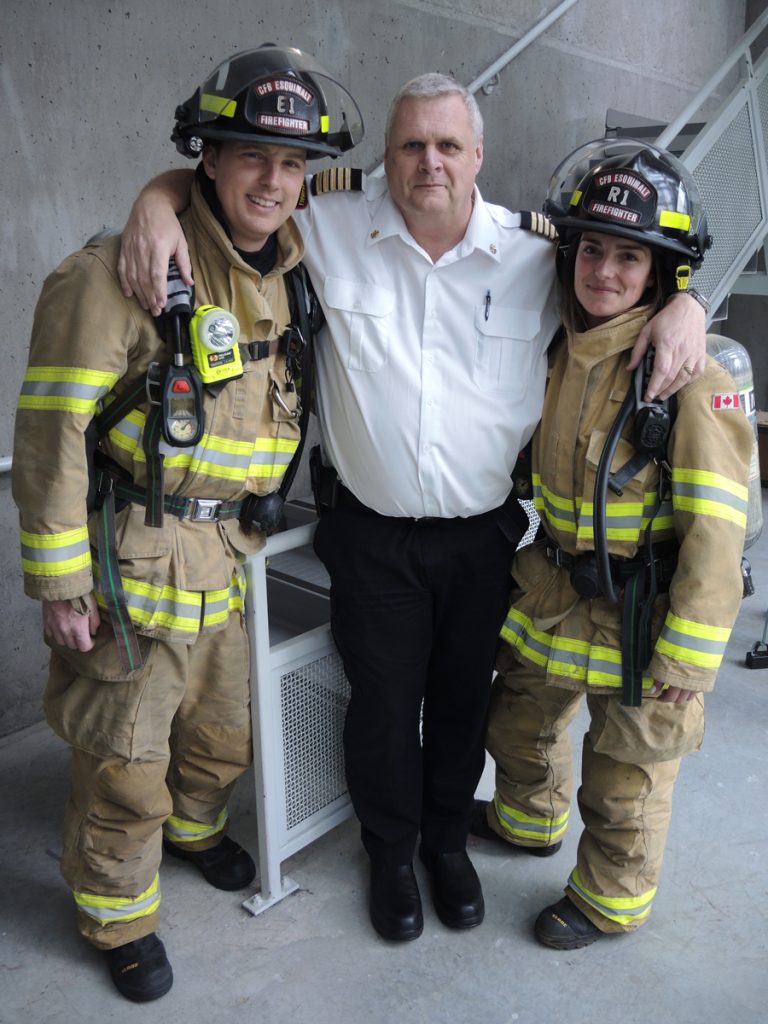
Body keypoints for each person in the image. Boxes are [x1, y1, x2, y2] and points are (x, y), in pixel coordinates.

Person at [117, 74, 709, 944]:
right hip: (372, 533)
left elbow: (634, 264)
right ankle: (391, 853)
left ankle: (444, 844)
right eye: (409, 145)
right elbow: (224, 185)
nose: (427, 161)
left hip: (486, 537)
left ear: (479, 157)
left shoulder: (540, 252)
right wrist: (152, 201)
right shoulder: (323, 223)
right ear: (384, 157)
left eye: (446, 145)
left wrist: (690, 301)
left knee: (465, 699)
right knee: (384, 706)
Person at [11, 46, 362, 1001]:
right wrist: (62, 584)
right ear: (206, 155)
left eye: (292, 164)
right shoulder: (115, 274)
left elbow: (424, 187)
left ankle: (197, 830)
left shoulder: (292, 269)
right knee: (126, 757)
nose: (274, 180)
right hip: (135, 566)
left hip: (231, 559)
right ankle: (117, 916)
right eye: (251, 154)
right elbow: (50, 436)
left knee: (221, 738)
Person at [470, 138, 752, 949]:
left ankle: (607, 903)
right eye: (592, 248)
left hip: (643, 614)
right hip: (554, 586)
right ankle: (528, 822)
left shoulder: (691, 379)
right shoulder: (560, 341)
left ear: (662, 273)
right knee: (517, 723)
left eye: (631, 257)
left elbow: (715, 536)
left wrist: (688, 665)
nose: (604, 271)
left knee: (625, 778)